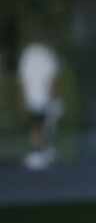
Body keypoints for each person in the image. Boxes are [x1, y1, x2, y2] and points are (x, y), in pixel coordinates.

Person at [18, 42, 63, 170]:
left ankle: (43, 152)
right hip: (38, 99)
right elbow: (51, 79)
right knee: (39, 126)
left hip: (39, 99)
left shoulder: (35, 55)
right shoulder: (36, 55)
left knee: (40, 126)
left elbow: (51, 79)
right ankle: (40, 153)